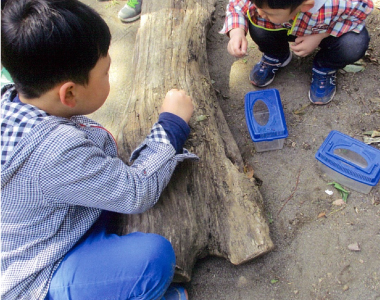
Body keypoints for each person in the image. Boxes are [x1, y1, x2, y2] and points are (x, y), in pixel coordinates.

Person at [1, 0, 197, 299]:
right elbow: (136, 191)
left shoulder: (12, 98)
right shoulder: (55, 151)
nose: (109, 74)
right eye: (105, 72)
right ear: (69, 93)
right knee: (153, 259)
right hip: (38, 274)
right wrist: (171, 125)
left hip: (50, 227)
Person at [221, 0, 374, 104]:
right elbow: (237, 3)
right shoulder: (268, 7)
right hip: (279, 28)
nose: (260, 13)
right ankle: (276, 55)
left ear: (306, 5)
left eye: (269, 12)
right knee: (257, 24)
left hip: (322, 28)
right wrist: (236, 31)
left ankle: (324, 66)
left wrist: (321, 35)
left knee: (354, 44)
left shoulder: (341, 3)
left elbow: (359, 15)